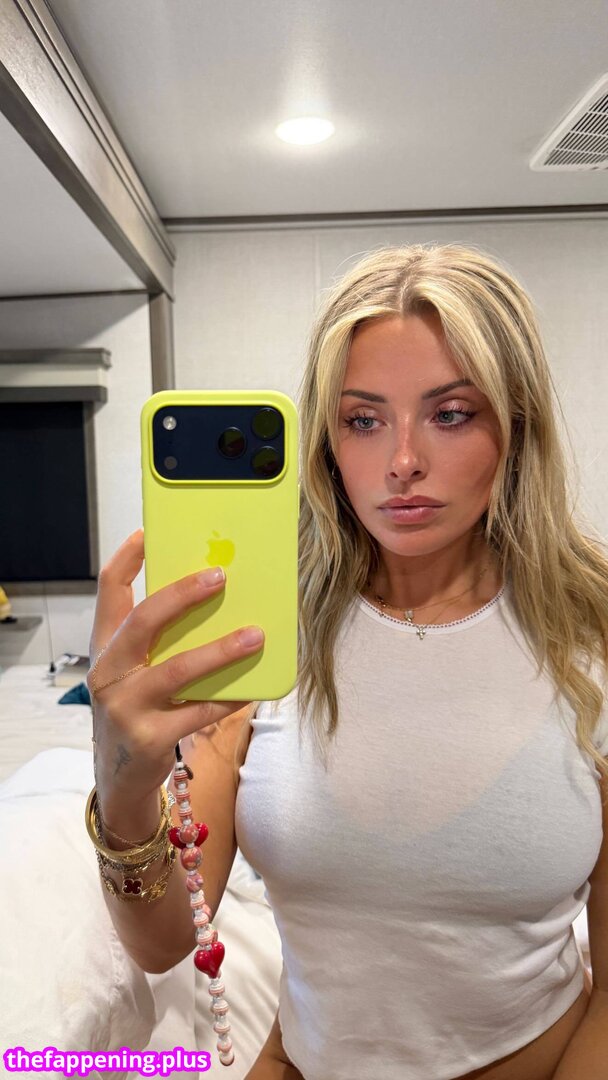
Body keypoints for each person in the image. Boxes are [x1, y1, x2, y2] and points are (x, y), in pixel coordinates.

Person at [86, 243, 608, 1080]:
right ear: (327, 443)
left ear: (518, 427)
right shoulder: (262, 634)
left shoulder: (591, 639)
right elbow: (164, 941)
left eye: (451, 414)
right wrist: (122, 781)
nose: (402, 461)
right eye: (364, 420)